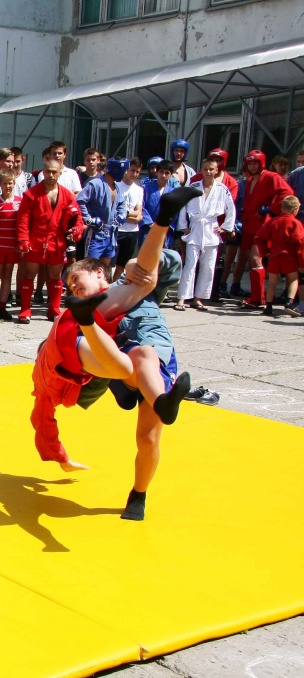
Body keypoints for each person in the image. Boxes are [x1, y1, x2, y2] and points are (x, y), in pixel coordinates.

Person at [29, 186, 199, 520]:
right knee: (126, 350)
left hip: (149, 368)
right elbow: (42, 403)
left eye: (78, 280)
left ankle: (139, 493)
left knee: (148, 436)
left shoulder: (128, 285)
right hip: (110, 369)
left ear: (100, 273)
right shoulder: (78, 315)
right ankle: (163, 218)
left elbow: (169, 263)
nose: (73, 288)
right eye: (70, 288)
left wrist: (137, 260)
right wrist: (58, 454)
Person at [15, 159, 84, 324]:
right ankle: (25, 309)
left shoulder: (67, 194)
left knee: (55, 276)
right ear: (42, 172)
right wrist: (23, 239)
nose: (51, 175)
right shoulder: (31, 194)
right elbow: (23, 219)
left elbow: (77, 216)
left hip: (57, 241)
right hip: (35, 240)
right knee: (29, 273)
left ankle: (53, 310)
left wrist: (77, 229)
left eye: (54, 172)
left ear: (60, 173)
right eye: (48, 171)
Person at [174, 158, 235, 311]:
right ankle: (182, 298)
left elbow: (231, 209)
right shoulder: (193, 187)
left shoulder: (222, 189)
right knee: (190, 264)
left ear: (216, 171)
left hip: (211, 228)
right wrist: (183, 226)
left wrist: (226, 227)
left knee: (208, 266)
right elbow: (182, 206)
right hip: (195, 227)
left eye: (211, 169)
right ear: (201, 170)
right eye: (205, 168)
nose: (208, 172)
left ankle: (198, 298)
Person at [235, 150, 294, 308]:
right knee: (250, 260)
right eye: (250, 163)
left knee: (256, 259)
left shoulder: (272, 176)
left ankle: (257, 298)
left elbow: (287, 193)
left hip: (262, 225)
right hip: (248, 224)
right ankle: (257, 297)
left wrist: (271, 208)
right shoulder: (249, 180)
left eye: (255, 163)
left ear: (261, 163)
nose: (253, 166)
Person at [77, 157, 129, 276]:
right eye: (125, 170)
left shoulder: (116, 187)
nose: (126, 173)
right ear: (116, 169)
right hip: (96, 232)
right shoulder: (95, 184)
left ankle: (100, 292)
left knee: (105, 268)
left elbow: (121, 203)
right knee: (89, 266)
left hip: (111, 234)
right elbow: (80, 200)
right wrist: (88, 219)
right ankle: (85, 292)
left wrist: (122, 213)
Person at [254, 196, 303, 317]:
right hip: (289, 255)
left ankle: (269, 306)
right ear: (295, 208)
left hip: (274, 255)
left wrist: (265, 252)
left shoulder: (272, 221)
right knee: (293, 279)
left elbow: (259, 238)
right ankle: (289, 302)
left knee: (272, 282)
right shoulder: (296, 223)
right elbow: (299, 243)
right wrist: (301, 262)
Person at [0, 169, 21, 321]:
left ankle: (2, 306)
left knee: (8, 275)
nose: (8, 186)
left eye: (10, 183)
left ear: (14, 183)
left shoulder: (20, 202)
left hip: (12, 245)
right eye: (5, 183)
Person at [114, 158, 145, 281]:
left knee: (122, 265)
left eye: (137, 171)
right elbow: (114, 211)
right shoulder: (116, 186)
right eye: (132, 170)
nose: (135, 174)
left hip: (132, 231)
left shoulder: (139, 189)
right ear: (126, 170)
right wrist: (128, 215)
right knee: (109, 262)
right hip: (117, 229)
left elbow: (138, 213)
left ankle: (115, 287)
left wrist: (125, 215)